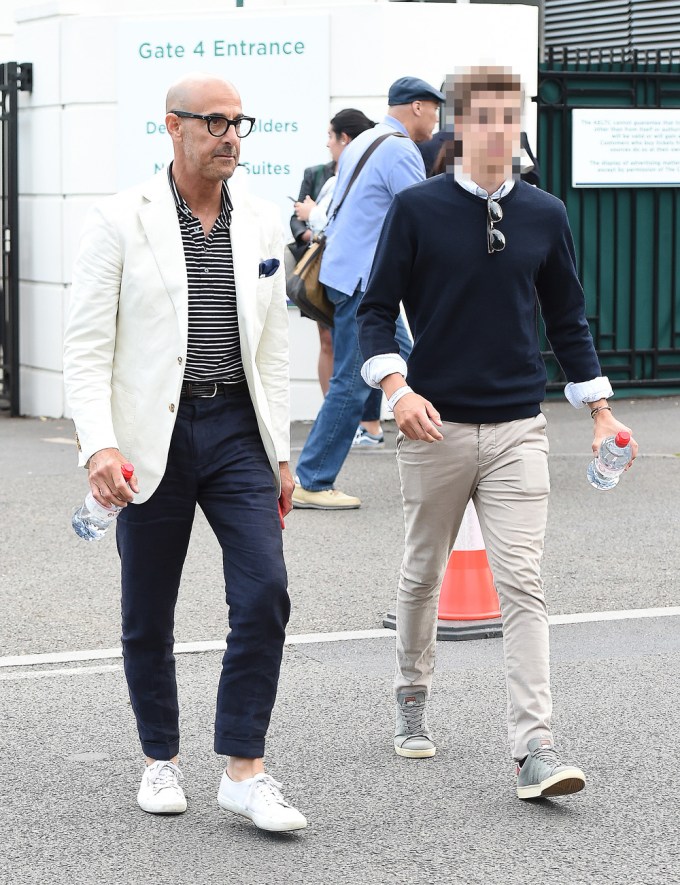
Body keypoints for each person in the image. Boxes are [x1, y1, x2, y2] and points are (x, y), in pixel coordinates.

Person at [357, 66, 638, 798]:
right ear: (457, 125)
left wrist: (601, 410)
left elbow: (568, 318)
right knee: (424, 573)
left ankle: (534, 747)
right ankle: (411, 696)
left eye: (509, 116)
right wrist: (397, 387)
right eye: (484, 116)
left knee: (523, 582)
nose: (499, 130)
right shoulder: (418, 209)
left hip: (519, 424)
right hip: (434, 427)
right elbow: (373, 311)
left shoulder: (545, 213)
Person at [63, 73, 307, 831]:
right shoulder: (119, 219)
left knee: (265, 591)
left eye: (240, 122)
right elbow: (86, 347)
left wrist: (281, 454)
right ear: (173, 127)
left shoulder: (262, 222)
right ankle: (159, 757)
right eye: (214, 121)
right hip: (150, 435)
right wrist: (98, 444)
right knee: (148, 609)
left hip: (236, 427)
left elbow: (270, 349)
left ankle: (243, 766)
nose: (230, 135)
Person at [292, 76, 444, 510]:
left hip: (349, 275)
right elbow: (423, 216)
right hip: (363, 282)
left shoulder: (365, 140)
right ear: (417, 107)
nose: (436, 118)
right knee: (352, 385)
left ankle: (456, 448)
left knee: (417, 361)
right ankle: (313, 480)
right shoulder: (399, 148)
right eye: (434, 109)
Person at [290, 109, 375, 399]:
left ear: (345, 138)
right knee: (347, 349)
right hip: (331, 275)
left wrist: (312, 214)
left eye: (330, 136)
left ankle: (366, 422)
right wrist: (308, 225)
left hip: (351, 280)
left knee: (365, 354)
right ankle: (352, 417)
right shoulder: (323, 176)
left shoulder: (362, 178)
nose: (327, 143)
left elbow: (340, 230)